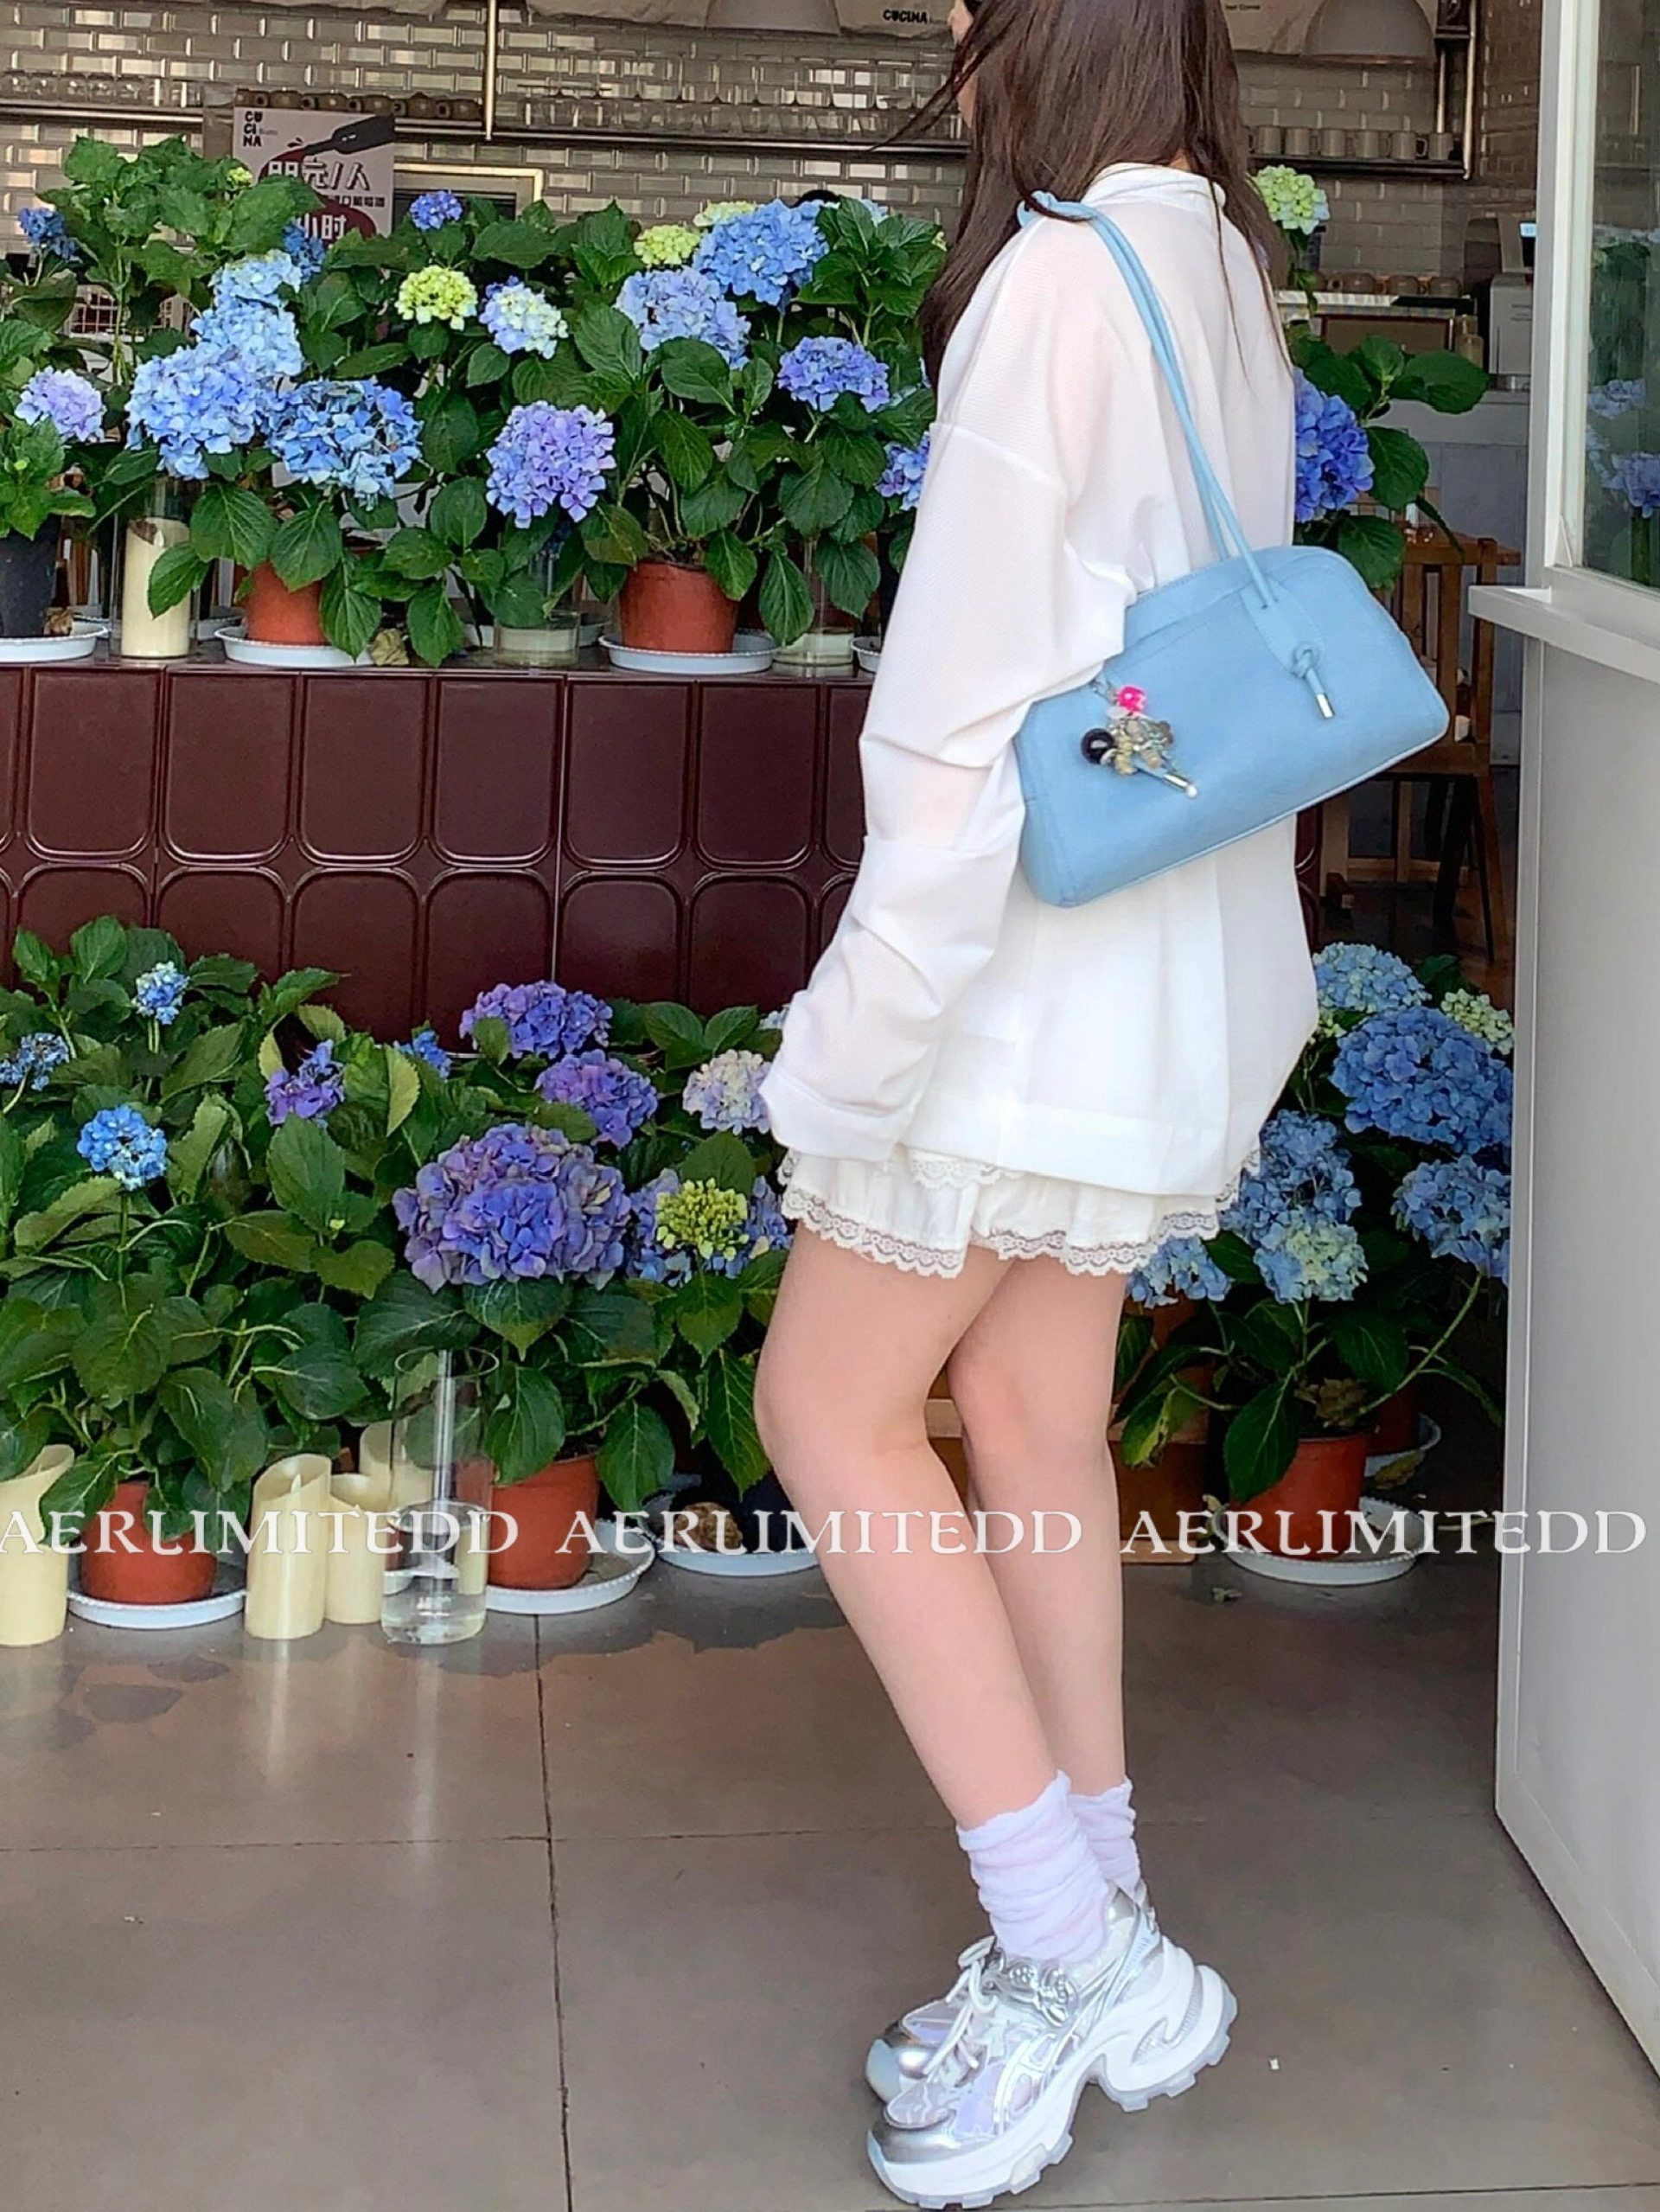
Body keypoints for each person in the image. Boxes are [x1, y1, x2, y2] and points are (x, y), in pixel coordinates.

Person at [753, 0, 1318, 2200]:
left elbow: (956, 735)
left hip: (1015, 993)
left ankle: (1071, 1955)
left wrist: (852, 1046)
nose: (952, 46)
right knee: (1031, 1419)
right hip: (1165, 972)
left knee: (828, 1410)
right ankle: (1111, 1926)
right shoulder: (1219, 262)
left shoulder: (1057, 285)